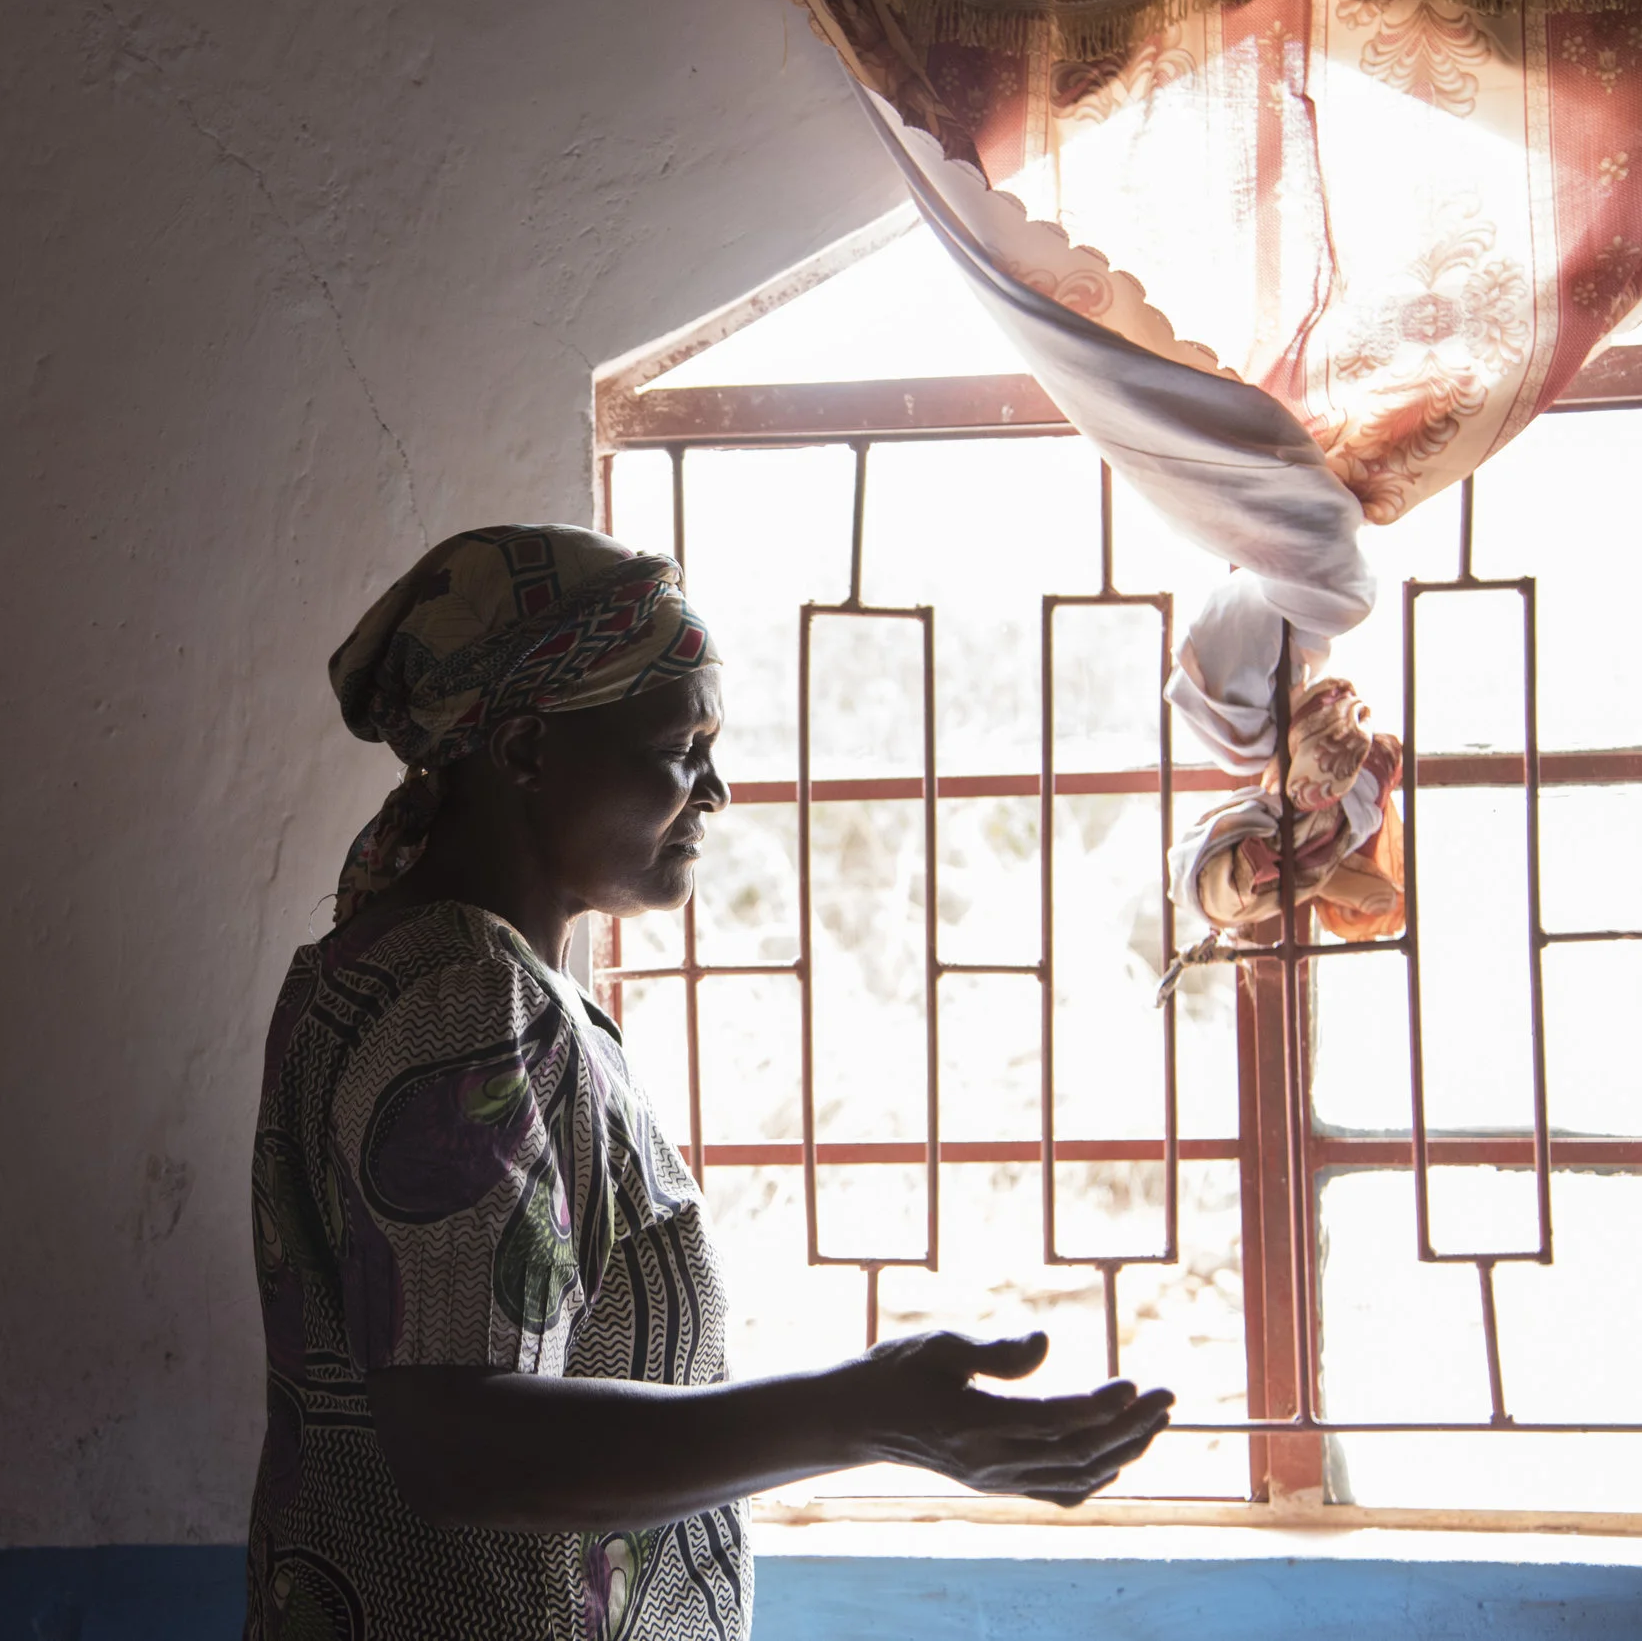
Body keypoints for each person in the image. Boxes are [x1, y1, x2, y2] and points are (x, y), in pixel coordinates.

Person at [245, 525, 1174, 1641]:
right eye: (683, 745)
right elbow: (461, 1442)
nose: (717, 790)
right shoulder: (461, 996)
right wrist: (859, 1412)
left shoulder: (392, 967)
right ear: (529, 748)